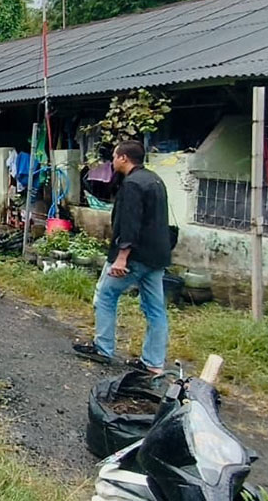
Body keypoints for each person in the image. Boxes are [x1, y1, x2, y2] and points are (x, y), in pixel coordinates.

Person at [73, 140, 172, 375]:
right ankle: (153, 363)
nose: (113, 160)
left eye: (115, 156)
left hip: (134, 256)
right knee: (155, 309)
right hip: (157, 256)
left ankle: (103, 348)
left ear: (124, 159)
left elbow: (130, 223)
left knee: (106, 294)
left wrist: (121, 257)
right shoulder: (154, 180)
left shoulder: (133, 185)